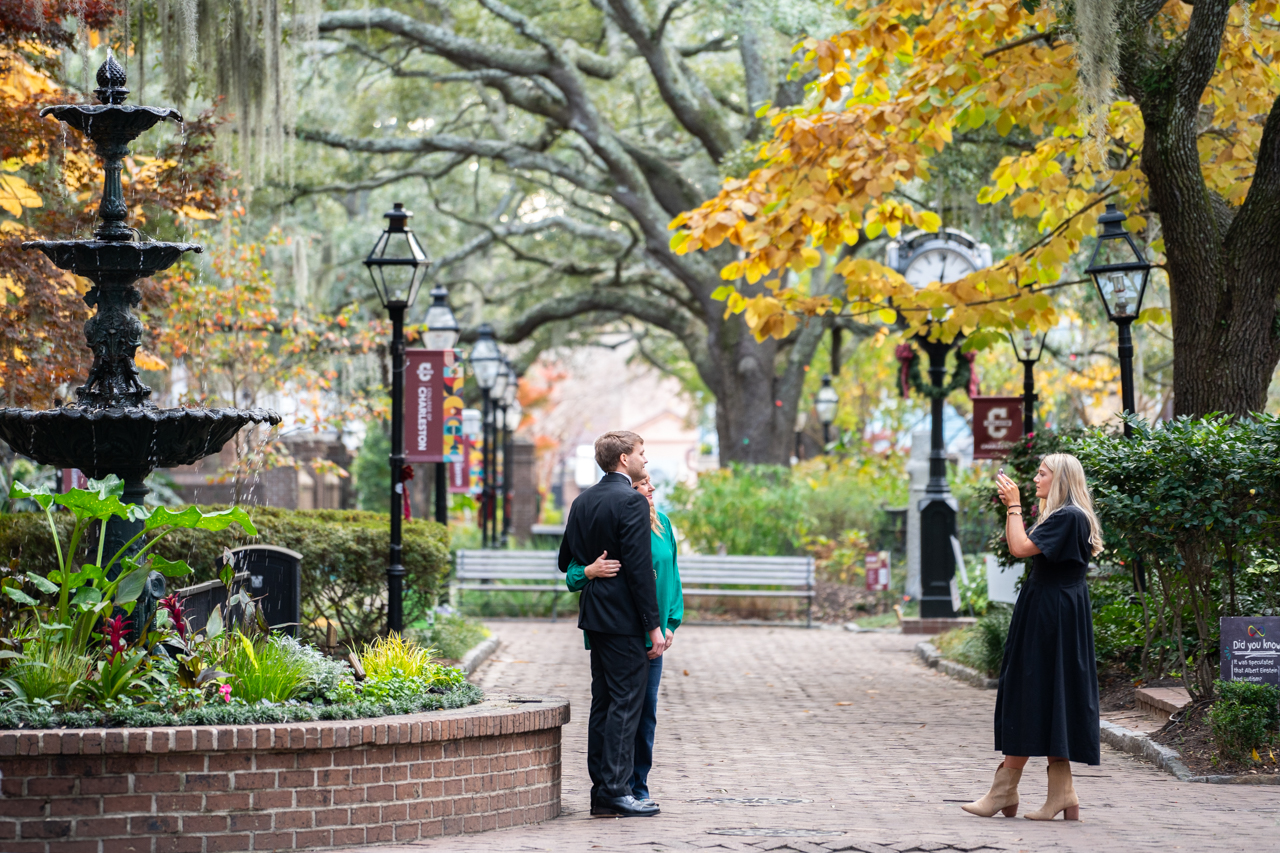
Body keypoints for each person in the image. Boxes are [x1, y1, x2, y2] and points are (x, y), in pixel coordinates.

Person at [963, 453, 1105, 822]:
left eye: (1043, 473)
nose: (1036, 479)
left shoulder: (1068, 516)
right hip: (1052, 611)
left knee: (1034, 691)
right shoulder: (1063, 516)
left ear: (1060, 479)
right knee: (1046, 694)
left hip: (1052, 615)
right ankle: (1060, 795)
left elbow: (1019, 548)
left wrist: (1013, 507)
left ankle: (1005, 792)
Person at [557, 431, 665, 818]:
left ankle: (602, 792)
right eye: (641, 454)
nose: (644, 461)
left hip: (595, 617)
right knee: (625, 704)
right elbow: (638, 570)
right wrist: (653, 626)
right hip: (623, 620)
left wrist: (590, 569)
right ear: (623, 459)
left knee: (603, 703)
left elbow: (563, 560)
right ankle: (617, 790)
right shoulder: (632, 501)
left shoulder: (582, 501)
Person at [566, 474, 683, 807]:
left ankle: (636, 785)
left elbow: (672, 576)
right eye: (642, 483)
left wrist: (671, 622)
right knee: (618, 706)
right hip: (623, 629)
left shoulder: (662, 524)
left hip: (655, 634)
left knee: (644, 712)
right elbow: (572, 572)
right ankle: (616, 789)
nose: (650, 488)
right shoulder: (611, 527)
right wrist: (589, 571)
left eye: (650, 483)